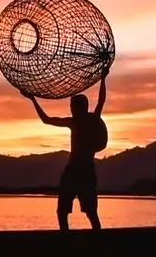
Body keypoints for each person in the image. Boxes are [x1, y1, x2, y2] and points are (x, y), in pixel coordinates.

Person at [31, 76, 107, 231]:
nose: (71, 109)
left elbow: (46, 120)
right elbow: (101, 101)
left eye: (72, 106)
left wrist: (32, 99)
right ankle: (74, 239)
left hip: (77, 171)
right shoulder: (87, 119)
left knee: (79, 212)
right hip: (82, 171)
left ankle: (73, 239)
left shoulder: (78, 121)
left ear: (80, 107)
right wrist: (103, 79)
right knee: (78, 212)